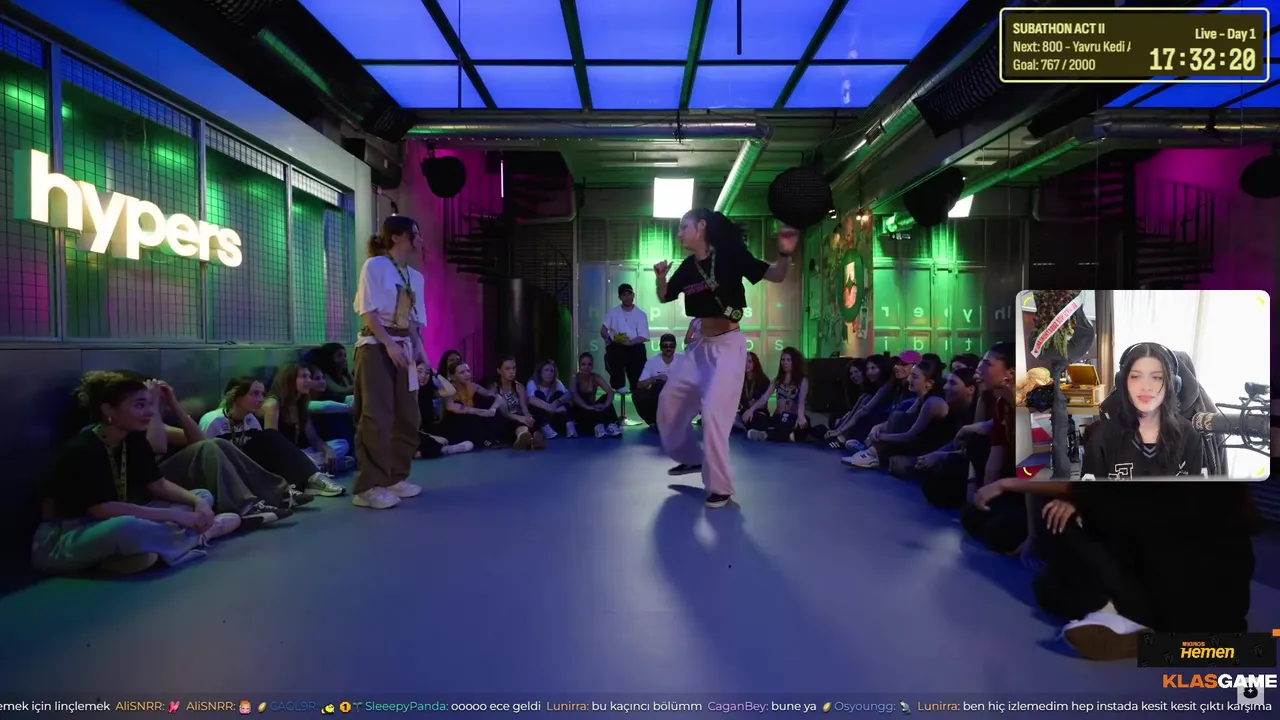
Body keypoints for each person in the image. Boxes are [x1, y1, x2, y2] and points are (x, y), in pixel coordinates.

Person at [1022, 342, 1255, 659]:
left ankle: (1125, 618)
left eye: (1155, 378)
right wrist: (1081, 500)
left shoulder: (1187, 438)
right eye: (1136, 378)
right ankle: (1121, 616)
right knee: (1051, 573)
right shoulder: (1108, 434)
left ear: (1171, 385)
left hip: (1172, 564)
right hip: (1140, 555)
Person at [32, 371, 242, 576]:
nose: (150, 412)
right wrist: (175, 516)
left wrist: (198, 502)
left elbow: (158, 485)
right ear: (108, 410)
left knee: (203, 495)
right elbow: (103, 510)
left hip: (115, 520)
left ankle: (130, 557)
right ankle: (200, 535)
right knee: (127, 526)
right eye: (140, 405)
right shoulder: (82, 449)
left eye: (150, 404)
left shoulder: (133, 439)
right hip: (66, 536)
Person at [653, 209, 796, 507]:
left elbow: (777, 275)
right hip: (699, 348)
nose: (679, 234)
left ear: (701, 226)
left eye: (683, 227)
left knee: (714, 414)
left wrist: (785, 253)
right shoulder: (688, 267)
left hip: (729, 347)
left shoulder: (732, 256)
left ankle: (720, 487)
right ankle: (692, 457)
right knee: (668, 403)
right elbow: (665, 296)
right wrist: (661, 278)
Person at [349, 216, 427, 510]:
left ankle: (395, 477)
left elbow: (413, 321)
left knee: (409, 415)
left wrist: (421, 353)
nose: (420, 239)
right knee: (376, 416)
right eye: (415, 233)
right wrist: (389, 344)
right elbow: (367, 312)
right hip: (376, 347)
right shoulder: (375, 266)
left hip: (403, 347)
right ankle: (369, 486)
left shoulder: (415, 276)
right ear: (396, 237)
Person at [200, 376, 338, 504]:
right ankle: (282, 490)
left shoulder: (250, 419)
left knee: (269, 436)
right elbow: (203, 458)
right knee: (270, 436)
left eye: (262, 394)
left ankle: (309, 479)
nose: (261, 399)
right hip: (226, 473)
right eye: (255, 394)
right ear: (236, 397)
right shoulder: (213, 420)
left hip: (246, 469)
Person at [959, 343, 1028, 556]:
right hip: (1019, 482)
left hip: (1042, 489)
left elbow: (1043, 473)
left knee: (999, 532)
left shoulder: (1034, 407)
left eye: (987, 364)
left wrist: (999, 486)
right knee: (972, 518)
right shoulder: (1002, 404)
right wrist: (984, 495)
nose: (979, 368)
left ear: (1011, 374)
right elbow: (995, 457)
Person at [846, 358, 953, 469]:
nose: (909, 379)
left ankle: (873, 453)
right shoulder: (921, 398)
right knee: (898, 416)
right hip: (919, 443)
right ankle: (873, 452)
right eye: (910, 375)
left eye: (914, 377)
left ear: (929, 383)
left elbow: (910, 435)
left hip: (931, 450)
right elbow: (904, 416)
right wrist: (877, 427)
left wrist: (880, 437)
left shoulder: (932, 402)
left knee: (898, 463)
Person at [263, 363, 353, 484]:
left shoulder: (300, 405)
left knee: (342, 444)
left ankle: (317, 467)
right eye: (304, 376)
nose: (309, 381)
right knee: (304, 459)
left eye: (310, 377)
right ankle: (321, 467)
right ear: (289, 379)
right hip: (282, 456)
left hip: (300, 453)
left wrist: (328, 450)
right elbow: (272, 445)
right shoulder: (273, 404)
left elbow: (314, 439)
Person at [600, 283, 650, 425]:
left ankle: (637, 388)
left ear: (633, 295)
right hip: (617, 345)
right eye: (624, 294)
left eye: (629, 294)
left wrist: (631, 342)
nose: (627, 297)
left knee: (639, 351)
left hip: (634, 346)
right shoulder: (613, 312)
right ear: (620, 297)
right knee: (613, 351)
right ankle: (618, 384)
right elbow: (603, 330)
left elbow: (643, 336)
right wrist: (608, 338)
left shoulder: (641, 314)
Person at [823, 355, 895, 451]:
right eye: (867, 369)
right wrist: (839, 429)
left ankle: (848, 439)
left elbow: (864, 410)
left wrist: (840, 430)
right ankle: (843, 437)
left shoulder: (887, 386)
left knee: (864, 418)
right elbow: (856, 410)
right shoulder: (868, 390)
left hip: (884, 421)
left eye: (873, 368)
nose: (869, 372)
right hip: (872, 419)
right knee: (836, 418)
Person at [745, 347, 811, 443]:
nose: (785, 362)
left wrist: (801, 416)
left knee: (802, 424)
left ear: (795, 362)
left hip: (793, 417)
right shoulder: (777, 380)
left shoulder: (802, 381)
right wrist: (751, 410)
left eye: (788, 360)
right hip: (778, 417)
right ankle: (785, 435)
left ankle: (766, 435)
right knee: (758, 420)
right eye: (783, 360)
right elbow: (764, 398)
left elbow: (801, 402)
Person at [440, 360, 508, 448]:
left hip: (472, 419)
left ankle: (497, 437)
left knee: (488, 401)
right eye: (462, 372)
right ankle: (485, 440)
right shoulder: (448, 389)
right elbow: (453, 408)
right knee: (464, 411)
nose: (467, 374)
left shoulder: (473, 386)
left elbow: (497, 397)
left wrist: (492, 409)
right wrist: (481, 412)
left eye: (468, 371)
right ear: (453, 376)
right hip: (455, 423)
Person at [414, 363, 473, 459]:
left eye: (427, 373)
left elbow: (451, 391)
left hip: (426, 429)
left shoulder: (428, 391)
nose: (423, 376)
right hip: (412, 432)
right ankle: (446, 449)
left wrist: (438, 374)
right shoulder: (404, 393)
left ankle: (428, 449)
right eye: (419, 372)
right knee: (416, 440)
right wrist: (432, 437)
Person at [491, 356, 548, 450]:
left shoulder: (518, 387)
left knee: (532, 417)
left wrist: (528, 417)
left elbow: (524, 407)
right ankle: (527, 437)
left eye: (514, 368)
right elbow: (503, 412)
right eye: (507, 369)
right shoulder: (494, 388)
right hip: (505, 419)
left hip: (519, 417)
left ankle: (528, 438)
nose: (512, 372)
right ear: (499, 371)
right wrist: (520, 418)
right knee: (508, 421)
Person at [633, 334, 685, 426]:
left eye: (671, 345)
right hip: (657, 394)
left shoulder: (683, 360)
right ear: (660, 347)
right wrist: (655, 378)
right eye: (665, 346)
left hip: (677, 394)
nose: (668, 348)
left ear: (675, 346)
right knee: (639, 394)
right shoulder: (652, 361)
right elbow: (640, 384)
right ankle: (654, 420)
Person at [570, 352, 622, 438]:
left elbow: (610, 391)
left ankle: (612, 425)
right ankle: (599, 425)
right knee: (585, 413)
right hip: (581, 410)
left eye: (589, 364)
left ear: (592, 366)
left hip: (593, 408)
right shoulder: (575, 377)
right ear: (579, 365)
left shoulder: (596, 377)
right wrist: (587, 407)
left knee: (605, 398)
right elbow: (574, 395)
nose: (586, 367)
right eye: (583, 364)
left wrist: (605, 405)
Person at [527, 360, 573, 438]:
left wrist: (556, 403)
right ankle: (545, 426)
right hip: (539, 416)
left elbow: (568, 395)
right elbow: (531, 400)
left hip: (553, 416)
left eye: (552, 371)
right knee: (539, 394)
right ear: (540, 372)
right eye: (546, 370)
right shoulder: (533, 383)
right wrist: (548, 407)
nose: (549, 373)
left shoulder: (557, 383)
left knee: (560, 395)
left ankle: (570, 425)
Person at [735, 351, 771, 431]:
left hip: (759, 412)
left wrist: (754, 406)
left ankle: (745, 427)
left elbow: (764, 405)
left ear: (755, 363)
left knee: (756, 420)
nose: (746, 364)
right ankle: (743, 426)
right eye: (744, 361)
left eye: (750, 362)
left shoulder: (763, 380)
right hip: (743, 412)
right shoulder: (739, 379)